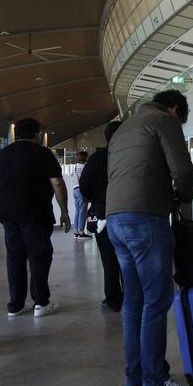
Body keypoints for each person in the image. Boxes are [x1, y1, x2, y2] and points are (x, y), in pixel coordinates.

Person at [105, 90, 193, 386]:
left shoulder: (125, 128)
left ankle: (135, 378)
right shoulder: (164, 121)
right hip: (145, 219)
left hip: (115, 220)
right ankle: (155, 382)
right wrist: (185, 196)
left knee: (134, 301)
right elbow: (182, 171)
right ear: (174, 109)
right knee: (156, 301)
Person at [0, 118, 68, 318]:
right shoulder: (42, 153)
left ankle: (16, 305)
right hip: (36, 213)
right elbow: (57, 182)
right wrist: (64, 211)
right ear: (36, 134)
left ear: (16, 133)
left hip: (9, 215)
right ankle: (41, 302)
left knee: (15, 258)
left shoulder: (1, 155)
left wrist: (0, 205)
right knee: (38, 256)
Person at [78, 123, 123, 312]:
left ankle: (113, 300)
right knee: (129, 258)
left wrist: (95, 199)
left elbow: (84, 187)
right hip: (127, 212)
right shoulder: (130, 155)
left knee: (109, 258)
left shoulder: (97, 158)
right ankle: (134, 297)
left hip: (102, 214)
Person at [72, 150, 90, 240]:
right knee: (83, 212)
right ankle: (81, 232)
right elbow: (85, 180)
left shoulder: (75, 166)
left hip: (75, 190)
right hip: (81, 190)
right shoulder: (84, 167)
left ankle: (76, 231)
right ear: (84, 157)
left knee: (78, 211)